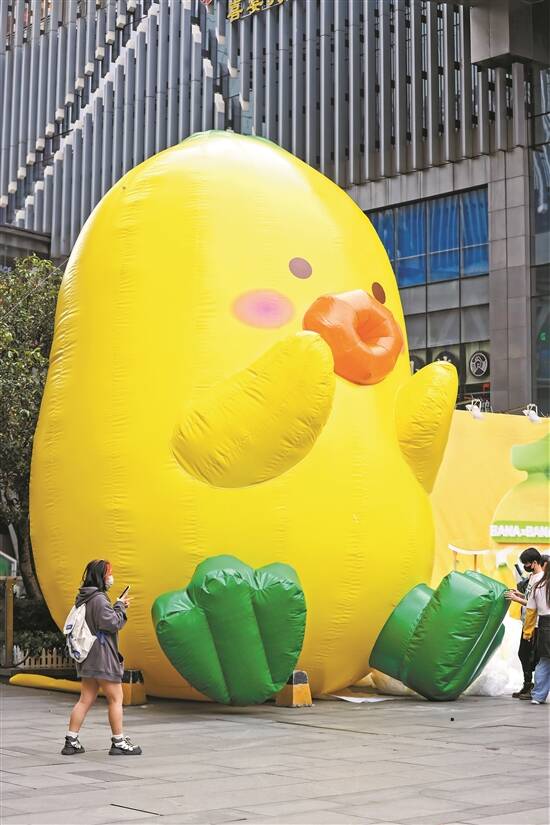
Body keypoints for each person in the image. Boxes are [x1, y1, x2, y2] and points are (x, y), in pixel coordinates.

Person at [61, 559, 142, 756]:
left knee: (85, 699)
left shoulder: (84, 597)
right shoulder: (98, 598)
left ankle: (71, 741)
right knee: (116, 698)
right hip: (102, 656)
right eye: (109, 574)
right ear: (100, 576)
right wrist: (120, 606)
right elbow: (112, 623)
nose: (111, 577)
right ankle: (119, 742)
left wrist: (116, 606)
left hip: (88, 657)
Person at [505, 548, 545, 698]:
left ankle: (532, 687)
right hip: (527, 623)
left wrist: (517, 600)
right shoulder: (532, 577)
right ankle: (527, 685)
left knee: (531, 656)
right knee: (524, 654)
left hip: (536, 625)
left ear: (534, 562)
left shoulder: (541, 579)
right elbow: (530, 597)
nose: (525, 566)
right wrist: (519, 594)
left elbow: (537, 604)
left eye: (526, 563)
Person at [522, 559, 550, 704]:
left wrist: (527, 632)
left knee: (544, 661)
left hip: (544, 625)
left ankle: (538, 696)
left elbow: (531, 611)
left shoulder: (538, 586)